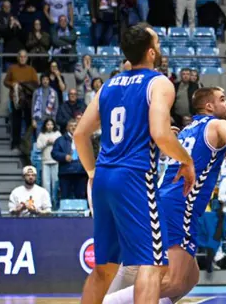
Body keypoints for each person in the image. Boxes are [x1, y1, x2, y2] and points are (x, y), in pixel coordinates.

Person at [102, 86, 226, 303]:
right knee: (174, 281)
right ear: (209, 106)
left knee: (190, 277)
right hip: (178, 206)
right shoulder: (219, 124)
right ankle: (108, 302)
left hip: (166, 203)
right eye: (222, 99)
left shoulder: (187, 130)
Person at [74, 24, 196, 304]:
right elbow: (161, 134)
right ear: (152, 52)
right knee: (152, 265)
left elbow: (80, 133)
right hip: (134, 179)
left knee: (104, 268)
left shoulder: (109, 84)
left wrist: (93, 172)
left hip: (104, 177)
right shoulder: (159, 83)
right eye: (158, 42)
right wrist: (186, 161)